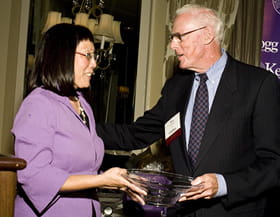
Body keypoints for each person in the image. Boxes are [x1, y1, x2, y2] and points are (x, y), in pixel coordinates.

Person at [96, 4, 280, 217]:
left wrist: (222, 184)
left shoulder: (258, 85)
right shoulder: (176, 88)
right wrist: (80, 126)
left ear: (207, 35)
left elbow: (273, 164)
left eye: (179, 37)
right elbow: (134, 135)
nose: (172, 45)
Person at [12, 23, 146, 217]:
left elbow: (84, 170)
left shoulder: (82, 104)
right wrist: (101, 181)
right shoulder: (38, 104)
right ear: (62, 57)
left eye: (95, 56)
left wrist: (119, 183)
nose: (94, 64)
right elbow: (34, 176)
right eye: (87, 55)